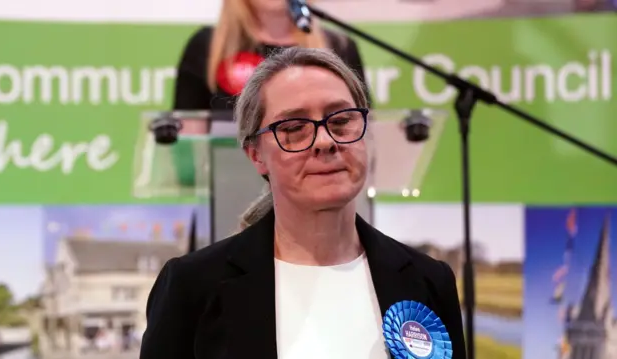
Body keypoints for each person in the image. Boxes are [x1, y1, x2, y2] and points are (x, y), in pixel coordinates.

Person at [140, 47, 466, 359]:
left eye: (341, 120)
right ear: (256, 155)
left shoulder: (428, 280)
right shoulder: (192, 286)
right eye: (294, 128)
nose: (325, 141)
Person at [173, 0, 370, 133]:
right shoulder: (207, 46)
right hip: (232, 186)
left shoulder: (339, 47)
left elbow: (362, 130)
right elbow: (189, 141)